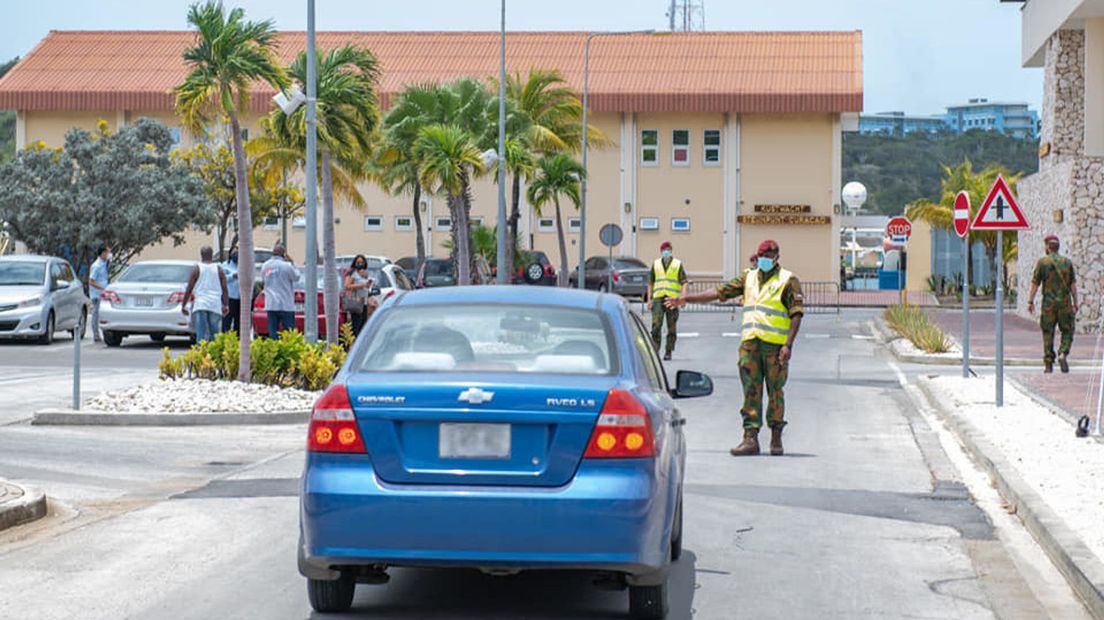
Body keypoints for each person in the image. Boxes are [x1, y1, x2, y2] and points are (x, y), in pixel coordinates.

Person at [667, 240, 804, 456]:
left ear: (776, 257)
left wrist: (788, 344)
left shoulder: (788, 280)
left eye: (767, 257)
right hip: (750, 345)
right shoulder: (748, 277)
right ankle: (750, 438)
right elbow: (720, 291)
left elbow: (796, 314)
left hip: (775, 347)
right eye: (760, 257)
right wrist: (687, 298)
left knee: (775, 391)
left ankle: (776, 437)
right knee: (750, 391)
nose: (763, 261)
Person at [1027, 235, 1079, 373]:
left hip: (1048, 305)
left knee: (1048, 333)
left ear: (1048, 247)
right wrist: (1076, 302)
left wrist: (1030, 301)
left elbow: (1035, 284)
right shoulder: (1067, 263)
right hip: (1065, 304)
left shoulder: (1042, 263)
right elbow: (1073, 285)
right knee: (1067, 330)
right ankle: (1063, 353)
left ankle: (1048, 364)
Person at [644, 241, 688, 361]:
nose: (666, 252)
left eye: (668, 250)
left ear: (671, 250)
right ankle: (655, 349)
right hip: (658, 298)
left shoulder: (677, 264)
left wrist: (683, 298)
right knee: (656, 325)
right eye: (664, 250)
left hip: (672, 299)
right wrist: (649, 299)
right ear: (661, 251)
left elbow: (684, 282)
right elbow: (650, 283)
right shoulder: (656, 264)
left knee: (671, 327)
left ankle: (668, 351)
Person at [182, 246, 229, 344]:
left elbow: (189, 288)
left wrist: (184, 305)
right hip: (215, 304)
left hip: (201, 304)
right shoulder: (219, 269)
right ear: (212, 255)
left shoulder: (197, 269)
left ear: (201, 255)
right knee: (214, 334)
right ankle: (213, 356)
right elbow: (224, 288)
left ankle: (201, 356)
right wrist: (226, 305)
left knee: (201, 335)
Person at [262, 242, 300, 339]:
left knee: (273, 332)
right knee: (289, 333)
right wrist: (292, 263)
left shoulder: (265, 266)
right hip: (285, 304)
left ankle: (275, 351)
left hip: (271, 304)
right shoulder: (286, 266)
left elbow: (263, 280)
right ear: (283, 254)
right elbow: (296, 277)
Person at [343, 254, 374, 336]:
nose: (360, 264)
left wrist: (368, 285)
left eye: (362, 262)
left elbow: (366, 287)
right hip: (356, 302)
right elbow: (347, 286)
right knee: (356, 326)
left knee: (363, 325)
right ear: (355, 263)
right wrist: (362, 285)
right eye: (358, 262)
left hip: (364, 302)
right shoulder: (352, 273)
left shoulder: (365, 274)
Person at [87, 245, 111, 344]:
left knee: (102, 314)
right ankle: (96, 335)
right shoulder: (96, 266)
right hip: (97, 295)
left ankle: (101, 334)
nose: (108, 255)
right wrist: (102, 288)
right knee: (96, 315)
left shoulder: (104, 264)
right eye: (107, 253)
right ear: (102, 253)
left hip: (103, 294)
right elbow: (91, 281)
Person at [221, 249, 242, 334]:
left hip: (240, 298)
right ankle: (225, 339)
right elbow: (222, 279)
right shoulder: (225, 265)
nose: (236, 255)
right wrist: (232, 276)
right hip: (229, 297)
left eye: (238, 253)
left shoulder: (243, 266)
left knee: (238, 322)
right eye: (234, 253)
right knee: (227, 321)